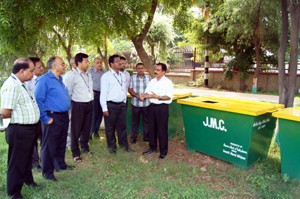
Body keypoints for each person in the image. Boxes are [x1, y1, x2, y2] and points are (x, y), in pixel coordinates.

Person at [1, 58, 40, 199]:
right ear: (21, 71)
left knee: (26, 159)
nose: (33, 73)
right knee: (17, 162)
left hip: (28, 129)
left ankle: (28, 180)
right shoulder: (11, 85)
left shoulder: (20, 83)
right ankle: (13, 192)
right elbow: (5, 111)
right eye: (30, 70)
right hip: (19, 130)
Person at [35, 56, 72, 181]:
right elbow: (38, 100)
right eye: (62, 63)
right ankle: (48, 173)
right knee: (49, 145)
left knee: (61, 142)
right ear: (54, 66)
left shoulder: (60, 79)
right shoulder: (44, 80)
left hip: (63, 116)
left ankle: (60, 164)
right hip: (52, 116)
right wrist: (45, 118)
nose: (64, 65)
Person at [64, 53, 94, 162]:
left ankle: (85, 147)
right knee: (75, 130)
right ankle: (75, 152)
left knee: (86, 128)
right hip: (77, 105)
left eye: (88, 61)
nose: (88, 64)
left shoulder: (88, 74)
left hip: (89, 104)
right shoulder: (71, 75)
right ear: (79, 63)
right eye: (86, 62)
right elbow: (67, 92)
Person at [100, 54, 133, 153]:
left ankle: (124, 146)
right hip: (111, 105)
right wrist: (104, 108)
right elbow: (103, 93)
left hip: (122, 105)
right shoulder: (106, 76)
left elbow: (123, 89)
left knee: (122, 126)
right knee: (110, 128)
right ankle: (112, 148)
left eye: (120, 61)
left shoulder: (122, 75)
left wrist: (124, 101)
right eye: (117, 61)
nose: (119, 63)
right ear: (111, 64)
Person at [141, 63, 173, 159]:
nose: (156, 71)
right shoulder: (152, 81)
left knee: (162, 130)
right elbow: (148, 92)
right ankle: (152, 148)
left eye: (158, 70)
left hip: (162, 108)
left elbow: (168, 97)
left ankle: (163, 151)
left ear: (164, 72)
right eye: (155, 69)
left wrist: (158, 97)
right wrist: (144, 95)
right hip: (152, 107)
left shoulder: (168, 83)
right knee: (152, 128)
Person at [25, 57, 44, 172]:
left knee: (43, 137)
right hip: (32, 114)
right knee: (33, 140)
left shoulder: (42, 79)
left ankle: (43, 158)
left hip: (42, 113)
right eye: (39, 67)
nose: (42, 68)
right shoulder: (27, 81)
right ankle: (35, 162)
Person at [128, 63, 151, 143]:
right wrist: (138, 96)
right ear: (136, 69)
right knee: (135, 122)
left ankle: (146, 137)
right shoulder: (132, 78)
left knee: (147, 121)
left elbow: (151, 89)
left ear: (144, 69)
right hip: (135, 104)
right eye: (139, 68)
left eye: (142, 68)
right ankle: (133, 138)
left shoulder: (149, 78)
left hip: (146, 104)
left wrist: (144, 96)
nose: (140, 70)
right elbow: (130, 89)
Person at [89, 57, 105, 139]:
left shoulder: (105, 72)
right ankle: (90, 133)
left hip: (103, 95)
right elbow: (86, 83)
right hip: (94, 95)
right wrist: (90, 91)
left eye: (100, 62)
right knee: (93, 114)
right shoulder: (90, 72)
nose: (99, 64)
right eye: (97, 63)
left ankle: (96, 131)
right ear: (94, 64)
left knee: (100, 114)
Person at [63, 57, 77, 148]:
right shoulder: (69, 75)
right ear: (74, 65)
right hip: (71, 102)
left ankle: (75, 140)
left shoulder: (84, 75)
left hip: (79, 103)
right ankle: (68, 142)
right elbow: (67, 92)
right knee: (70, 122)